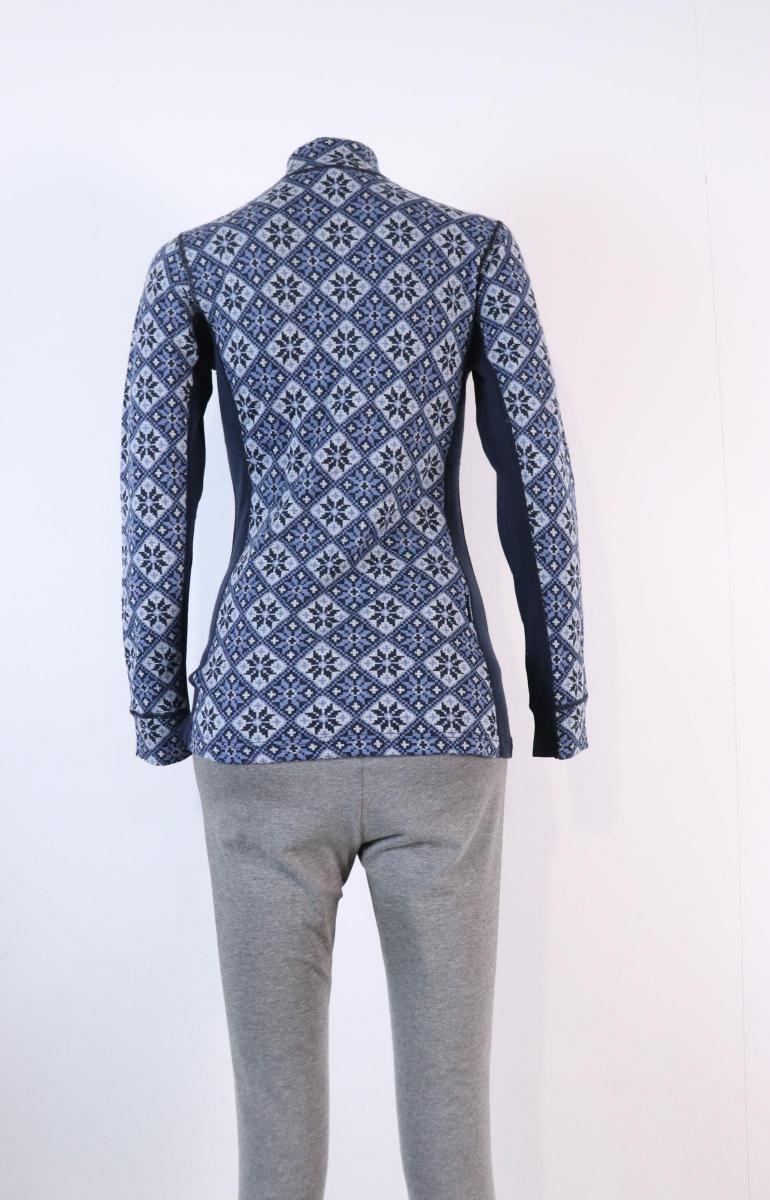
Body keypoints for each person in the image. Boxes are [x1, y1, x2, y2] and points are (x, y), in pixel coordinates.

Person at [120, 135, 589, 1200]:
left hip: (259, 727)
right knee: (452, 1109)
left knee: (274, 1120)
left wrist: (159, 706)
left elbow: (154, 495)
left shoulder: (200, 262)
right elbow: (537, 478)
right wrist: (555, 695)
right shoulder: (469, 250)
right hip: (440, 719)